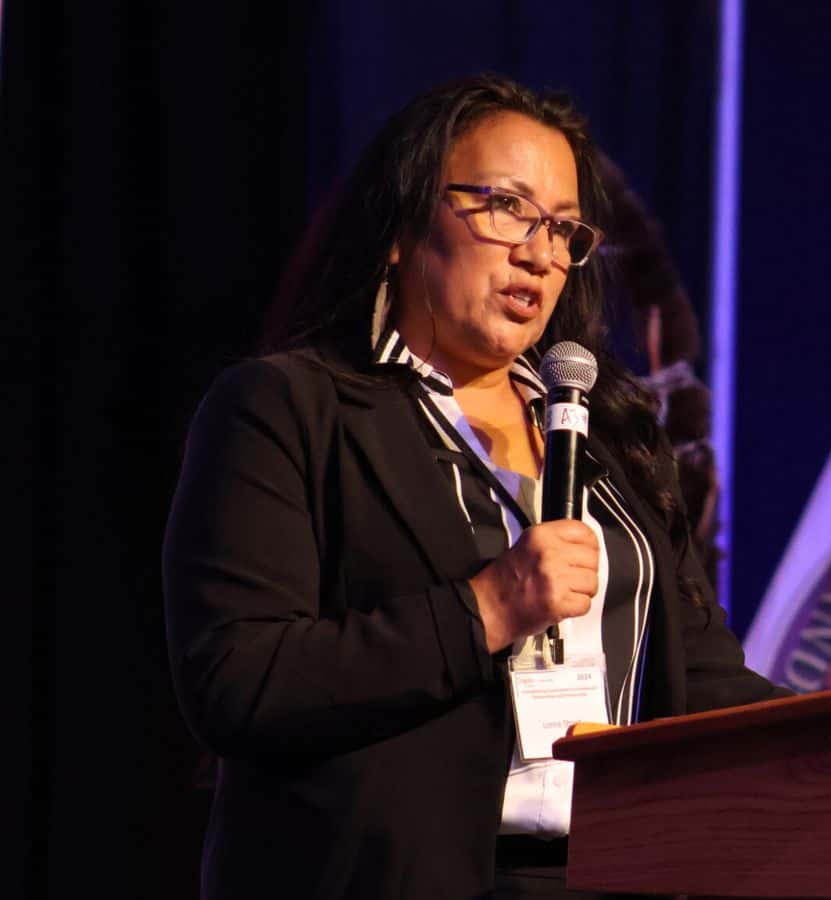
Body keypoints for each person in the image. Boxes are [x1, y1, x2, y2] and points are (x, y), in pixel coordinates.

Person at [163, 74, 786, 900]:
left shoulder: (608, 436)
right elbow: (239, 681)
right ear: (402, 225)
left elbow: (701, 680)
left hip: (609, 873)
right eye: (506, 207)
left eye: (563, 228)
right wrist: (488, 608)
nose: (540, 253)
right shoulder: (290, 408)